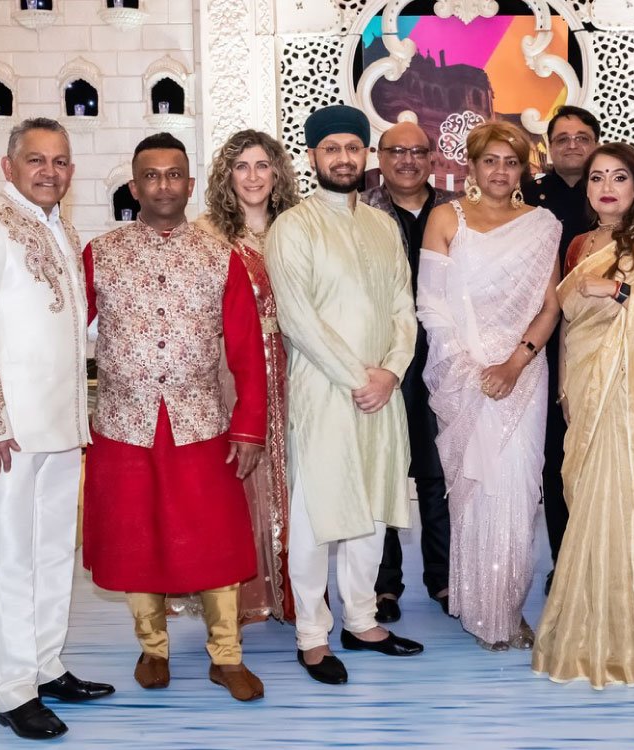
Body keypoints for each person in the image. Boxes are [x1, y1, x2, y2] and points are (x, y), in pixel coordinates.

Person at [80, 133, 268, 703]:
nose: (163, 184)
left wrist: (249, 425)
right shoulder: (101, 252)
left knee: (214, 541)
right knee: (137, 539)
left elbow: (245, 348)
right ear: (134, 186)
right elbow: (63, 338)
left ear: (190, 184)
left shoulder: (220, 256)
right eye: (151, 175)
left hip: (200, 423)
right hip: (123, 423)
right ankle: (153, 647)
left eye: (174, 174)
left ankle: (226, 655)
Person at [0, 117, 113, 740]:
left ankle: (44, 664)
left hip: (60, 424)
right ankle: (11, 688)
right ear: (8, 165)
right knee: (8, 559)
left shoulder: (58, 227)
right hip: (6, 432)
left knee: (49, 553)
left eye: (61, 161)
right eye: (36, 160)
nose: (50, 171)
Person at [532, 142, 634, 690]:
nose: (607, 187)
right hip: (585, 387)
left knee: (630, 505)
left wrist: (620, 288)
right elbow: (566, 321)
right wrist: (565, 387)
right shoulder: (579, 242)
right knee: (585, 503)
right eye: (597, 178)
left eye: (619, 177)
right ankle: (590, 627)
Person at [265, 104, 424, 685]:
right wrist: (360, 378)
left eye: (352, 148)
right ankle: (312, 635)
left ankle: (361, 620)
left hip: (383, 391)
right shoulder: (294, 226)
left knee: (373, 506)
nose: (342, 158)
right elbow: (297, 319)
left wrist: (391, 373)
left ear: (366, 156)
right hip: (325, 390)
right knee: (315, 513)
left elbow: (404, 310)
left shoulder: (382, 225)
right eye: (330, 148)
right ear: (312, 156)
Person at [419, 120, 562, 651]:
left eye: (511, 162)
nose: (501, 171)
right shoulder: (445, 219)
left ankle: (507, 607)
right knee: (474, 491)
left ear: (523, 168)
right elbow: (431, 306)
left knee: (519, 491)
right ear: (471, 167)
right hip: (464, 374)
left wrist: (514, 364)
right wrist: (469, 368)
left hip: (522, 373)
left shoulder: (542, 224)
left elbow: (550, 306)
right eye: (490, 161)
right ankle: (482, 610)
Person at [196, 128, 303, 626]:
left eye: (262, 165)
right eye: (242, 167)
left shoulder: (298, 228)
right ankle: (241, 594)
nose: (253, 176)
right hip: (232, 371)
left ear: (277, 171)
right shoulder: (208, 236)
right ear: (227, 176)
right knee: (240, 477)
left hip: (295, 366)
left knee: (294, 474)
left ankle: (294, 589)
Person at [361, 121, 459, 621]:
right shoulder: (359, 212)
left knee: (439, 473)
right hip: (382, 361)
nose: (406, 160)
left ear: (433, 158)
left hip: (444, 361)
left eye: (417, 151)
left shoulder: (456, 212)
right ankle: (384, 585)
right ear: (379, 157)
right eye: (395, 151)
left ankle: (444, 579)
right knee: (385, 473)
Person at [521, 105, 601, 592]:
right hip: (545, 344)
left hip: (603, 343)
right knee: (554, 459)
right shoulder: (528, 196)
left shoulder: (611, 192)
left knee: (600, 455)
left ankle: (601, 559)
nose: (572, 144)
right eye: (563, 137)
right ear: (549, 146)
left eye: (582, 136)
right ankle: (564, 562)